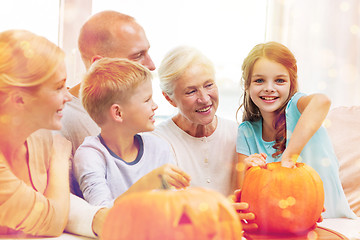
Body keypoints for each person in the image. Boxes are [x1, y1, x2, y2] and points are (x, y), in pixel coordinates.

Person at [236, 41, 357, 219]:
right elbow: (244, 199)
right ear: (247, 85)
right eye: (259, 80)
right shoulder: (246, 131)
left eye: (279, 80)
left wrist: (289, 156)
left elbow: (322, 101)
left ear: (291, 84)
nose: (269, 88)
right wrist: (247, 170)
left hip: (332, 221)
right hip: (282, 225)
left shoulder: (296, 108)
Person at [73, 57, 191, 207]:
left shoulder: (159, 147)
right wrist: (148, 182)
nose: (155, 106)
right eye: (147, 100)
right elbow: (103, 216)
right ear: (118, 113)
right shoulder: (90, 155)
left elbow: (176, 205)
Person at [0, 29, 72, 236]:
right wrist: (59, 159)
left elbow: (58, 199)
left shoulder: (39, 138)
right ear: (19, 99)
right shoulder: (54, 147)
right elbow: (53, 221)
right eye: (59, 88)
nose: (68, 97)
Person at [61, 10, 155, 160]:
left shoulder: (138, 109)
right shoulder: (62, 121)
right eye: (138, 55)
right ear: (99, 64)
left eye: (147, 52)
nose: (152, 65)